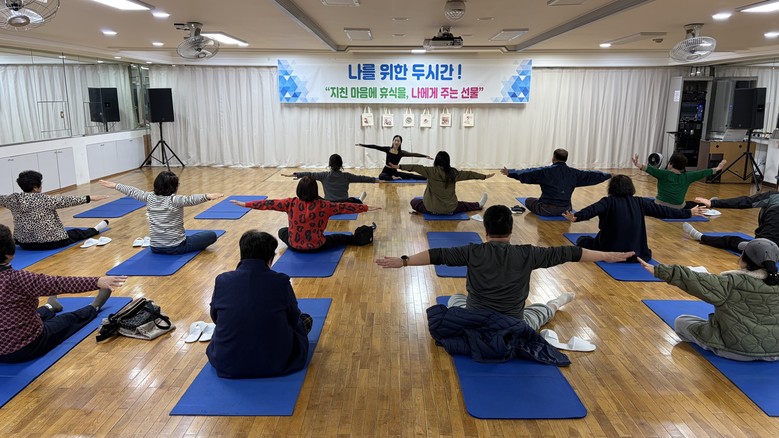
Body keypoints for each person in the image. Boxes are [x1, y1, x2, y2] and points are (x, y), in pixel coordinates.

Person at [375, 205, 634, 330]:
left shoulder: (473, 251)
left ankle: (553, 304)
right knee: (539, 313)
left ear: (485, 230)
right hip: (512, 324)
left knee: (455, 299)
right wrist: (606, 255)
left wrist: (403, 261)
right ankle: (557, 302)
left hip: (475, 322)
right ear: (511, 230)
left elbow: (437, 255)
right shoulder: (528, 253)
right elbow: (571, 253)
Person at [0, 224, 127, 363]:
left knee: (23, 313)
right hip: (26, 347)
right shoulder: (16, 278)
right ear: (9, 254)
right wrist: (97, 282)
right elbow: (57, 284)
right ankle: (94, 307)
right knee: (68, 319)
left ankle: (50, 307)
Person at [638, 238, 779, 361]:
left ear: (745, 260)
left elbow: (692, 279)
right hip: (775, 352)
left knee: (681, 321)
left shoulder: (730, 282)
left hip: (734, 350)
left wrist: (658, 270)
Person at [206, 230, 312, 378]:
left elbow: (215, 317)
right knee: (306, 319)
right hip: (277, 361)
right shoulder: (280, 281)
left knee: (222, 330)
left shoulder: (222, 280)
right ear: (270, 257)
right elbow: (293, 317)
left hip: (227, 362)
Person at [563, 175, 706, 262]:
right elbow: (664, 211)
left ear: (612, 188)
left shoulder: (608, 201)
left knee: (582, 240)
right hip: (637, 254)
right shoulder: (640, 202)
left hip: (609, 250)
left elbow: (592, 210)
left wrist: (576, 216)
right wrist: (688, 213)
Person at [232, 176, 379, 252]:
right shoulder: (325, 205)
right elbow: (345, 207)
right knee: (342, 238)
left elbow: (268, 204)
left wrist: (246, 204)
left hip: (294, 245)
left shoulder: (290, 203)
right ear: (315, 190)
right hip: (317, 245)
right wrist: (366, 207)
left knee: (282, 231)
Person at [98, 171, 223, 255]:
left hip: (155, 247)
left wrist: (116, 185)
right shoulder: (175, 200)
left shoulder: (149, 197)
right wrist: (207, 196)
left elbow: (132, 191)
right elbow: (191, 199)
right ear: (174, 187)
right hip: (176, 246)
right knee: (211, 235)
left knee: (195, 236)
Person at [0, 170, 110, 250]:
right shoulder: (45, 199)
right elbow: (68, 200)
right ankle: (95, 229)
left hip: (24, 243)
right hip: (51, 242)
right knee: (76, 233)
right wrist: (89, 198)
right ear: (35, 187)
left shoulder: (12, 199)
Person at [501, 148, 611, 217]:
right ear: (565, 159)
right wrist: (609, 175)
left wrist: (510, 172)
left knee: (528, 200)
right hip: (566, 210)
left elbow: (528, 173)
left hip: (546, 209)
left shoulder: (545, 171)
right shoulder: (574, 173)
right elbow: (591, 175)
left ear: (553, 158)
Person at [396, 151, 491, 215]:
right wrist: (484, 176)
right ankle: (479, 204)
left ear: (437, 161)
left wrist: (399, 166)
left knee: (414, 201)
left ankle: (434, 211)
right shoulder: (453, 173)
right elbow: (469, 174)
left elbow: (415, 167)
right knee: (463, 205)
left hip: (431, 208)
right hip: (450, 208)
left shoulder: (431, 171)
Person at [684, 192, 779, 254]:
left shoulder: (773, 196)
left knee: (731, 241)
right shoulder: (773, 197)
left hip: (764, 248)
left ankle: (701, 237)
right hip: (769, 246)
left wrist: (713, 203)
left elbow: (744, 202)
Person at [632, 152, 726, 209]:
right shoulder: (688, 176)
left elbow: (649, 169)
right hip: (678, 207)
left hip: (660, 206)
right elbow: (702, 173)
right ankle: (710, 202)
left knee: (642, 201)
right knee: (693, 204)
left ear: (671, 164)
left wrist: (637, 164)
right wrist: (717, 168)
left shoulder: (663, 173)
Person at [282, 153, 378, 204]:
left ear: (329, 165)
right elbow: (361, 178)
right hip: (343, 203)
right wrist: (376, 180)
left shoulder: (324, 175)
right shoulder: (346, 176)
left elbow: (310, 174)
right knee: (356, 201)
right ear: (341, 164)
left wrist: (297, 174)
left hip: (328, 204)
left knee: (315, 198)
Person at [356, 135, 433, 180]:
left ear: (400, 143)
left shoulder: (401, 153)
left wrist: (425, 156)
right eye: (395, 140)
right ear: (393, 141)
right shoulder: (387, 149)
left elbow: (413, 154)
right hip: (386, 170)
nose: (396, 142)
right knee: (381, 176)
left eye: (398, 141)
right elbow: (375, 147)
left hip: (394, 171)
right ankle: (393, 177)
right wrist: (362, 145)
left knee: (410, 175)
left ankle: (427, 178)